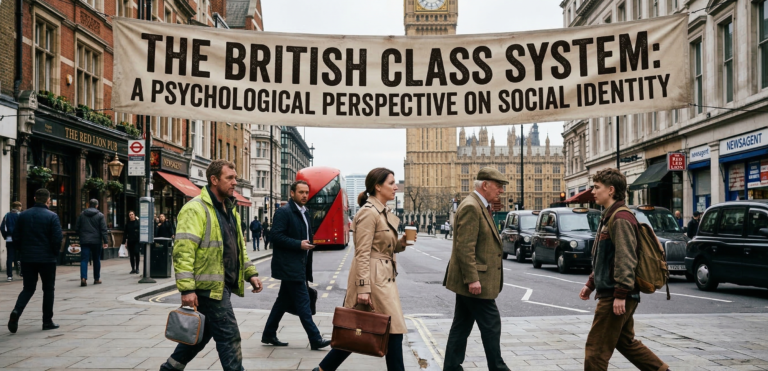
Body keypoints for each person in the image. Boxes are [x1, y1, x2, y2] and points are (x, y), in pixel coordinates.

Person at [161, 160, 263, 371]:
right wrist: (187, 289)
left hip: (221, 285)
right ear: (214, 180)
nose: (235, 182)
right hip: (207, 288)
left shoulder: (230, 210)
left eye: (235, 178)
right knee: (229, 336)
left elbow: (237, 248)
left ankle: (169, 368)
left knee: (199, 336)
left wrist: (250, 272)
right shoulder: (195, 209)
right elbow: (183, 252)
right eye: (230, 178)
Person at [313, 168, 412, 371]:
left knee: (358, 331)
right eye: (391, 183)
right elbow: (362, 253)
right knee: (391, 332)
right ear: (377, 186)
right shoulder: (368, 213)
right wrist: (363, 287)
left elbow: (385, 247)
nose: (395, 187)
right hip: (374, 280)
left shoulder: (382, 212)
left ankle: (322, 370)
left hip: (383, 277)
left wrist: (401, 243)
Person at [579, 168, 670, 371]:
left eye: (596, 187)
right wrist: (591, 283)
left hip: (615, 295)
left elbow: (625, 258)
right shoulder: (610, 216)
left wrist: (620, 293)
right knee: (625, 342)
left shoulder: (620, 218)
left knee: (595, 351)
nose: (593, 191)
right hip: (616, 291)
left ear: (611, 190)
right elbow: (606, 258)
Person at [442, 168, 509, 371]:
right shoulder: (472, 206)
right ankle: (498, 368)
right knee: (491, 324)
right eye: (498, 186)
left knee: (461, 325)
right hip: (475, 280)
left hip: (473, 279)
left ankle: (451, 367)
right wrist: (472, 279)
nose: (501, 191)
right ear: (485, 185)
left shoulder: (480, 204)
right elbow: (465, 247)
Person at [262, 180, 329, 350]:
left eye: (307, 192)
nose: (305, 195)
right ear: (292, 193)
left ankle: (269, 333)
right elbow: (276, 236)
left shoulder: (305, 212)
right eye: (301, 192)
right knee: (303, 302)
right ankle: (315, 338)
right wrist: (298, 244)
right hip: (289, 265)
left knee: (283, 301)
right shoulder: (284, 212)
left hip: (300, 264)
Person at [8, 189, 63, 333]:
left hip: (27, 258)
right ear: (48, 200)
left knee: (28, 288)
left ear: (34, 198)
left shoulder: (23, 215)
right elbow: (57, 239)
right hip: (47, 259)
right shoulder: (52, 216)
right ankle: (47, 321)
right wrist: (54, 254)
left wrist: (22, 251)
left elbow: (16, 236)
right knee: (48, 289)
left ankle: (16, 312)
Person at [75, 199, 108, 287]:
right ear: (97, 205)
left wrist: (81, 236)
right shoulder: (100, 215)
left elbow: (77, 228)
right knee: (96, 259)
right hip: (96, 241)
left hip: (85, 240)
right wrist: (105, 241)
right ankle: (96, 279)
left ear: (88, 205)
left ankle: (83, 278)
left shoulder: (82, 215)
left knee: (84, 260)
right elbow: (103, 229)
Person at [1, 201, 22, 281]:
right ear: (18, 207)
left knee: (10, 257)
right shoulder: (20, 215)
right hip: (19, 239)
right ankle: (21, 272)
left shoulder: (7, 215)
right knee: (21, 255)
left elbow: (2, 227)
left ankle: (9, 275)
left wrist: (5, 236)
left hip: (9, 239)